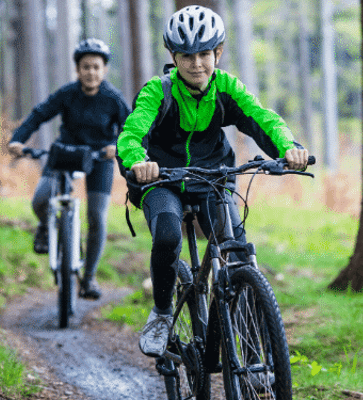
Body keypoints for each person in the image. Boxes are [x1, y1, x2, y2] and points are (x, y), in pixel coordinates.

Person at [116, 5, 309, 357]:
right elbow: (131, 134)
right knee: (169, 234)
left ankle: (254, 355)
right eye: (186, 55)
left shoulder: (227, 87)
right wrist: (138, 162)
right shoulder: (157, 91)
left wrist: (289, 147)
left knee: (236, 252)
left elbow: (262, 118)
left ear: (217, 53)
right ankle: (160, 314)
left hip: (213, 177)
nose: (196, 64)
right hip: (162, 179)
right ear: (173, 57)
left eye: (204, 53)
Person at [8, 38, 131, 300]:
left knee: (97, 217)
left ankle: (88, 279)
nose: (91, 72)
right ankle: (45, 226)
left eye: (96, 67)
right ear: (78, 69)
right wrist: (18, 139)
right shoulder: (67, 94)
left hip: (99, 159)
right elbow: (39, 115)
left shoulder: (113, 99)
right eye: (86, 67)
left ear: (104, 70)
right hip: (64, 154)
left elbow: (132, 130)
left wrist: (117, 146)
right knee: (41, 200)